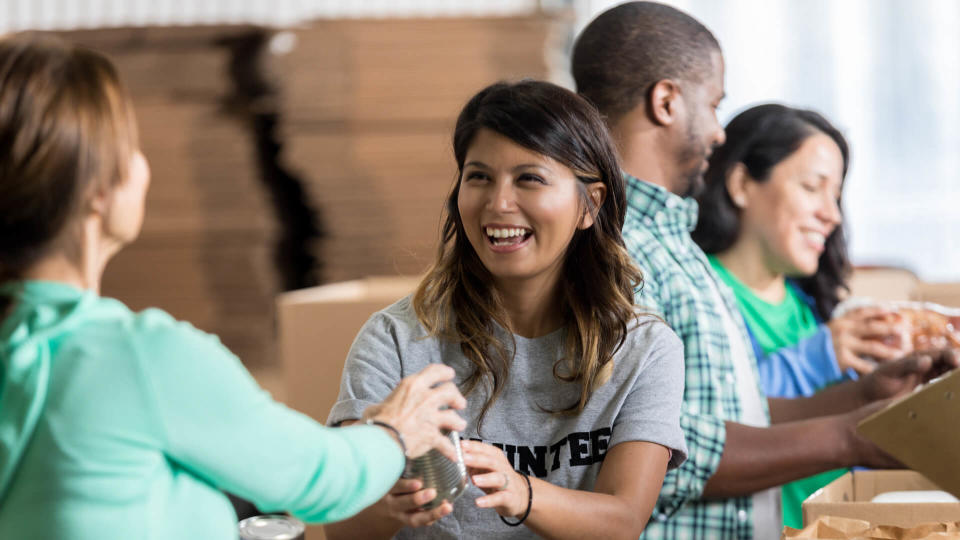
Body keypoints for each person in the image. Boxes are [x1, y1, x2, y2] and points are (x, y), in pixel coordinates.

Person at [0, 35, 468, 540]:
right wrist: (395, 431)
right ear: (97, 190)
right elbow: (319, 477)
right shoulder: (140, 357)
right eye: (131, 147)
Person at [572, 3, 958, 538]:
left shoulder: (672, 246)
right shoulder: (614, 248)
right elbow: (656, 449)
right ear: (666, 102)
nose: (717, 133)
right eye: (714, 105)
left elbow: (731, 414)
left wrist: (862, 397)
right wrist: (852, 435)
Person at [324, 80, 687, 540]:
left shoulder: (644, 349)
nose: (498, 204)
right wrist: (390, 506)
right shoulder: (395, 341)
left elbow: (623, 521)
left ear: (589, 204)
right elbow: (340, 528)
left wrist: (521, 492)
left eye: (529, 178)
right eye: (479, 177)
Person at [691, 103, 912, 528]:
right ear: (740, 183)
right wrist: (817, 357)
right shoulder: (701, 294)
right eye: (812, 187)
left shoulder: (809, 308)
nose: (831, 214)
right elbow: (711, 423)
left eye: (836, 194)